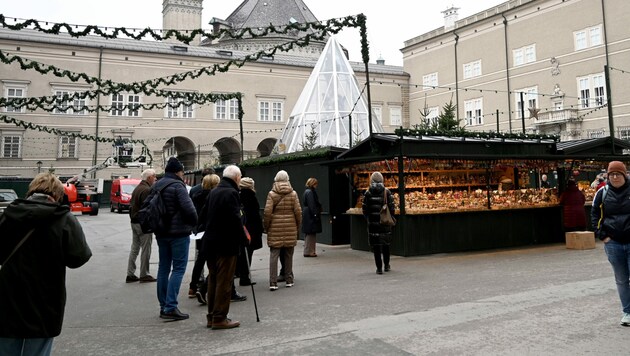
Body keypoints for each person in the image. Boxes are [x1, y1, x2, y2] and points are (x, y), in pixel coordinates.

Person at [0, 173, 92, 355]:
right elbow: (78, 258)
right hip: (46, 296)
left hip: (7, 295)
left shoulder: (9, 215)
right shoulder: (64, 218)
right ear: (58, 194)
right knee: (38, 350)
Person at [201, 165, 247, 330]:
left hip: (210, 242)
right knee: (224, 281)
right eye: (240, 177)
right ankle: (220, 317)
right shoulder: (232, 193)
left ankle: (211, 316)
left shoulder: (214, 192)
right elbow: (236, 219)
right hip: (226, 243)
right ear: (236, 178)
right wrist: (243, 239)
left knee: (213, 279)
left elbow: (203, 215)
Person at [155, 157, 198, 321]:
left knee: (163, 268)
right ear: (178, 172)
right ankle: (171, 306)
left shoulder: (157, 185)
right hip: (178, 233)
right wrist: (194, 223)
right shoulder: (178, 186)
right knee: (179, 269)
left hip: (161, 232)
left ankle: (163, 305)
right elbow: (189, 209)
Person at [591, 161, 630, 326]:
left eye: (618, 174)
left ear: (624, 175)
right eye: (611, 174)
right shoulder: (602, 192)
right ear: (607, 175)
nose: (615, 177)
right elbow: (594, 213)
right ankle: (627, 312)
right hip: (613, 243)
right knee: (621, 279)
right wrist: (602, 235)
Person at [263, 170, 302, 291]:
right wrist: (297, 226)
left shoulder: (271, 194)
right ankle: (289, 280)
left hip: (275, 227)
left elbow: (267, 213)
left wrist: (266, 227)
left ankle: (273, 282)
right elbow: (298, 212)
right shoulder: (293, 193)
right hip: (290, 226)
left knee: (274, 255)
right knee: (289, 255)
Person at [189, 173, 220, 303]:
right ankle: (205, 288)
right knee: (217, 262)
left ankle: (193, 286)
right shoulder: (215, 197)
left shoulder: (196, 195)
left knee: (200, 260)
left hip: (200, 230)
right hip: (212, 231)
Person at [126, 168, 158, 283]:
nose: (155, 179)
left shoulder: (138, 188)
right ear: (149, 177)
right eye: (154, 176)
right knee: (146, 249)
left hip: (134, 222)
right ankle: (144, 274)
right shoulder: (146, 190)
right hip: (142, 223)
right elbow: (148, 209)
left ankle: (130, 273)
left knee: (134, 248)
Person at [362, 172, 395, 274]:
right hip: (384, 222)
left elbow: (364, 210)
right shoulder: (387, 192)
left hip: (373, 224)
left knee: (376, 246)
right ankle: (387, 265)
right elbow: (392, 208)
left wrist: (370, 218)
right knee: (386, 245)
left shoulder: (368, 193)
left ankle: (379, 268)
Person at [237, 177, 264, 286]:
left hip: (243, 227)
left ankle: (240, 273)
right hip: (251, 229)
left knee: (242, 253)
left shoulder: (238, 196)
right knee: (248, 253)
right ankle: (245, 276)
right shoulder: (251, 197)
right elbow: (255, 215)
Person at [302, 177, 322, 257]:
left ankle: (308, 250)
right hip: (310, 214)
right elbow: (312, 205)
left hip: (307, 214)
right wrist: (315, 215)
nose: (316, 185)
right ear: (312, 184)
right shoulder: (310, 192)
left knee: (308, 233)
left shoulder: (306, 191)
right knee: (311, 233)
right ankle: (310, 251)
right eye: (315, 184)